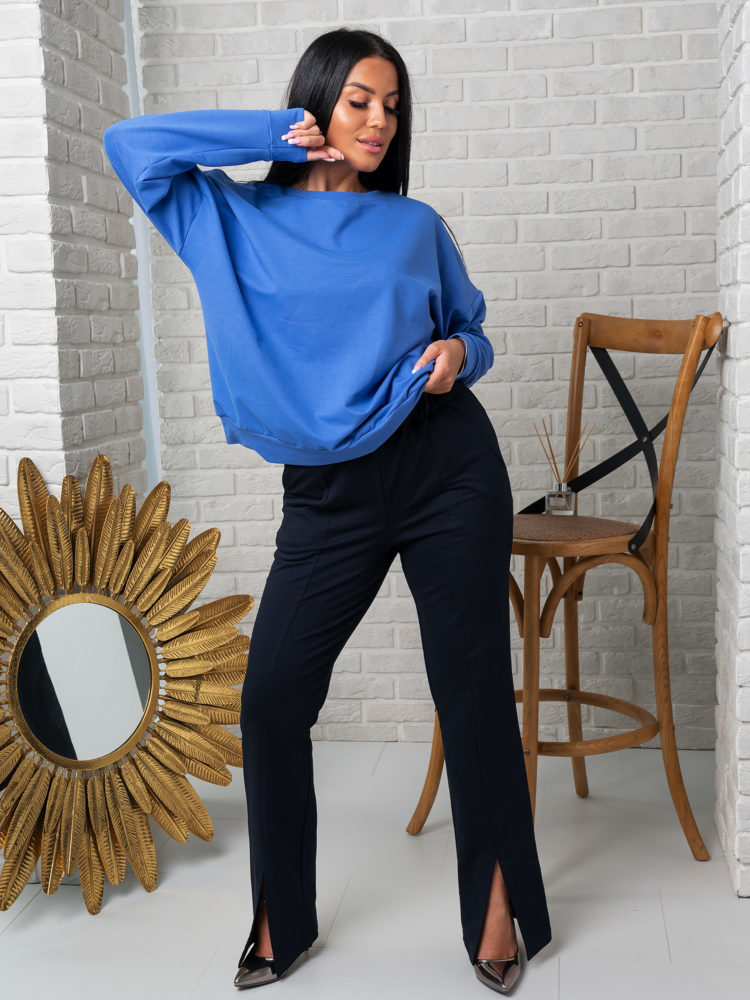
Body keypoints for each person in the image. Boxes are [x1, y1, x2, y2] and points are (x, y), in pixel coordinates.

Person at [103, 26, 552, 995]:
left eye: (392, 106)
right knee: (271, 698)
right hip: (328, 493)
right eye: (359, 101)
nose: (380, 121)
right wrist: (272, 133)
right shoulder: (226, 216)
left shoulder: (412, 225)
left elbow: (471, 331)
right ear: (316, 103)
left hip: (445, 469)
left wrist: (458, 356)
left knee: (471, 690)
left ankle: (497, 908)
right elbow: (130, 144)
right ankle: (282, 913)